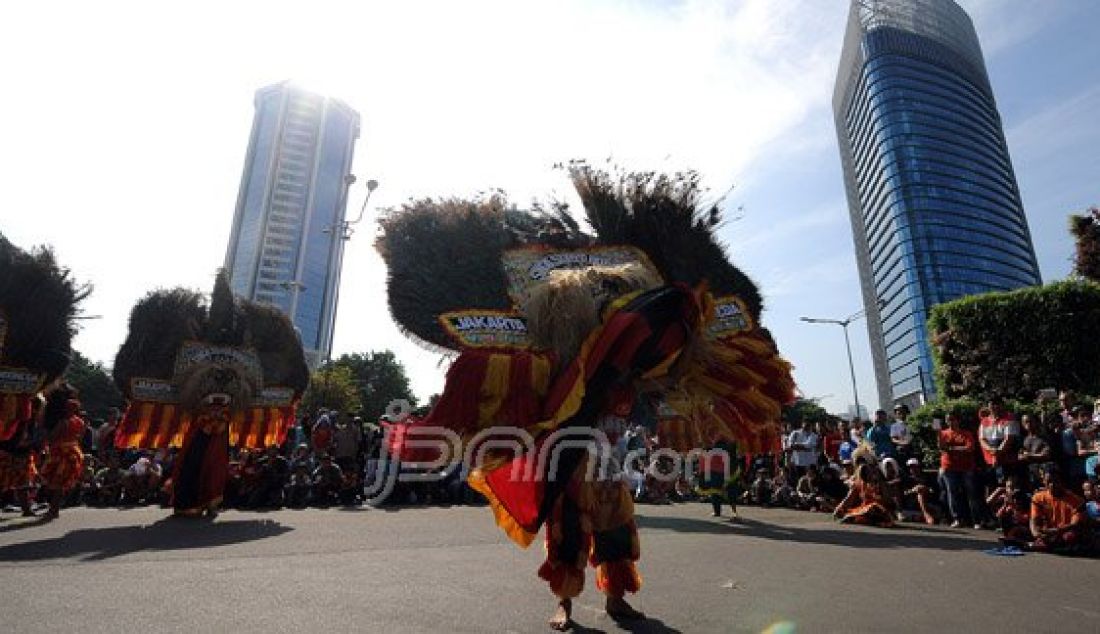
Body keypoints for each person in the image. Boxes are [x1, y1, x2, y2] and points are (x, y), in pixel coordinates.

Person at [38, 386, 86, 519]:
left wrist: (44, 431)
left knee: (56, 482)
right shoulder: (80, 421)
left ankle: (54, 510)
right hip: (74, 451)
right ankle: (54, 508)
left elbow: (51, 437)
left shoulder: (63, 422)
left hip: (61, 453)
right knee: (60, 482)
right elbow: (79, 437)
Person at [938, 412, 984, 529]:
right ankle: (957, 518)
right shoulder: (943, 433)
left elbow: (970, 448)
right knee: (952, 493)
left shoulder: (966, 433)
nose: (951, 422)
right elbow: (942, 448)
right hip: (949, 467)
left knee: (972, 493)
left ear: (958, 420)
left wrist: (952, 448)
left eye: (953, 419)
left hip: (966, 467)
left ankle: (977, 520)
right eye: (948, 420)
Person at [1029, 468, 1089, 554]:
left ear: (1061, 481)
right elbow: (1034, 519)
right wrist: (1036, 532)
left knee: (1069, 537)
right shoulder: (1038, 498)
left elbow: (1075, 524)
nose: (1052, 484)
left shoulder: (1077, 500)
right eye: (1049, 481)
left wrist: (1057, 530)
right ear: (1044, 482)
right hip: (1048, 532)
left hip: (1065, 531)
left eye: (1056, 481)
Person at [979, 396, 1021, 483]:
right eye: (991, 405)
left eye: (996, 405)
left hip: (1007, 460)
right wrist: (991, 450)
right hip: (989, 460)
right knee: (990, 485)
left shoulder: (1009, 418)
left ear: (1001, 405)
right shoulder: (984, 421)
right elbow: (982, 439)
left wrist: (997, 453)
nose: (993, 407)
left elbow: (1009, 439)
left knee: (1006, 484)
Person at [987, 476, 1031, 544]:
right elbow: (989, 503)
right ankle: (1009, 535)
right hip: (1012, 525)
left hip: (1024, 527)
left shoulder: (1024, 497)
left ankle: (1012, 536)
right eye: (1007, 487)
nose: (1009, 490)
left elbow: (1026, 518)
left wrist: (1014, 506)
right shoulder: (1006, 496)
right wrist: (998, 491)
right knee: (1006, 512)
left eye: (1012, 487)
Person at [1019, 413, 1053, 490]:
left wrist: (1029, 456)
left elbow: (1047, 455)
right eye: (1026, 422)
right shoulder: (1024, 439)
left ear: (1036, 422)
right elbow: (1020, 456)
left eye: (1030, 421)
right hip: (1029, 473)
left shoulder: (1044, 437)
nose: (1028, 424)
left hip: (1043, 472)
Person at [901, 458, 939, 525]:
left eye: (915, 467)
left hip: (928, 500)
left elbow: (934, 490)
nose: (914, 469)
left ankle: (924, 515)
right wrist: (913, 490)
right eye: (911, 467)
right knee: (919, 493)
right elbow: (904, 493)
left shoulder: (927, 477)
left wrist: (925, 488)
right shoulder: (907, 479)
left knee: (921, 493)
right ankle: (926, 515)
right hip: (912, 502)